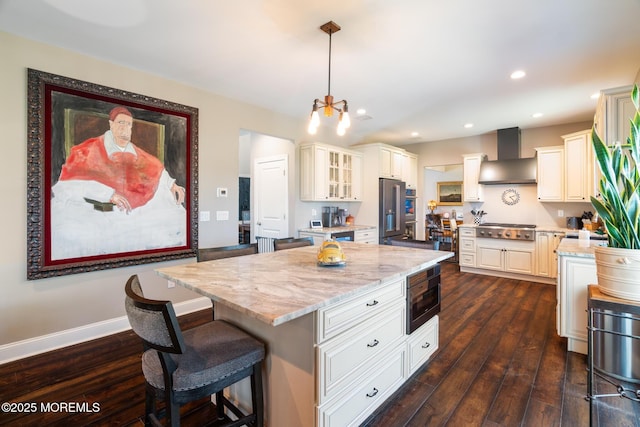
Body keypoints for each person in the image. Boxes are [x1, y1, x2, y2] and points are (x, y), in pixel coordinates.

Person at [50, 106, 187, 259]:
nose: (125, 128)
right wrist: (107, 194)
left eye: (129, 124)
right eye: (121, 122)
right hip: (97, 210)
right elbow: (68, 185)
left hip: (135, 213)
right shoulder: (87, 150)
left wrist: (172, 185)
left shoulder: (139, 154)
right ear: (111, 124)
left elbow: (157, 171)